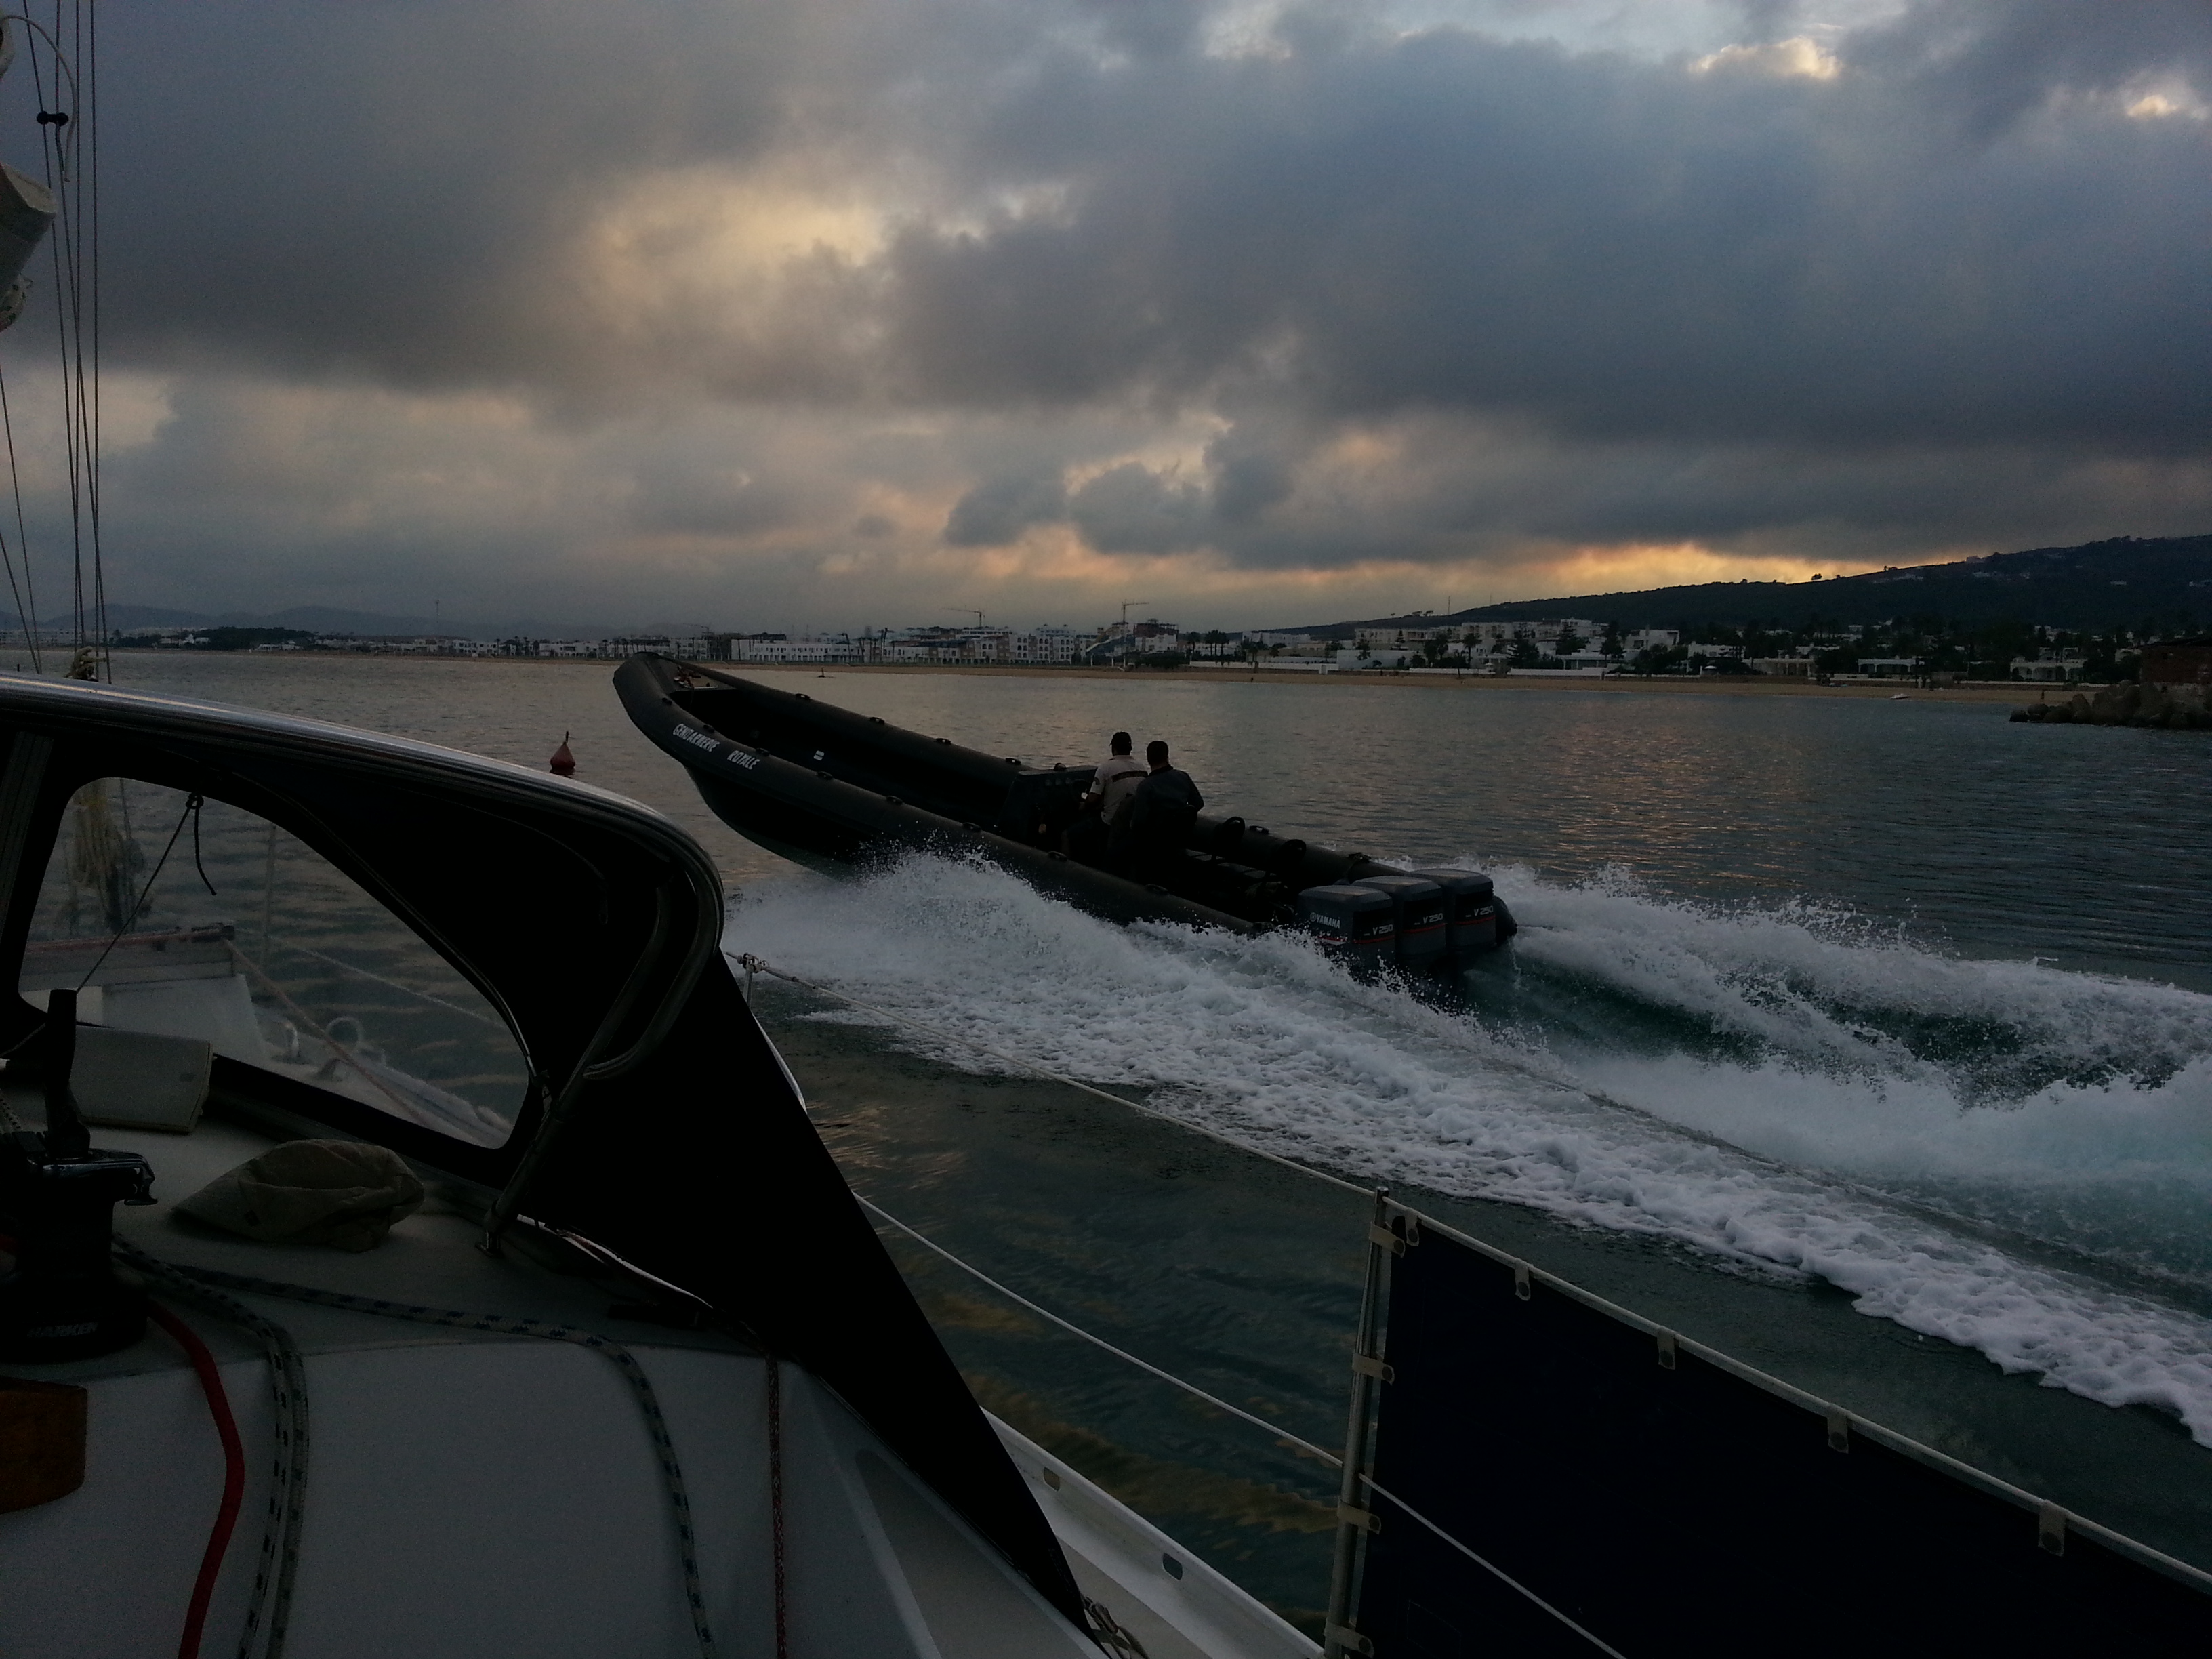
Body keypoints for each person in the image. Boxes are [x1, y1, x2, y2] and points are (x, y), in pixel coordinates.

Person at [1113, 740, 1203, 880]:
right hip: (1177, 839)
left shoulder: (1146, 786)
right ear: (1167, 756)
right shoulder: (1183, 776)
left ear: (1149, 759)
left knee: (1115, 853)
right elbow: (1198, 803)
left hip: (1153, 842)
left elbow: (1138, 823)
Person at [1065, 731, 1148, 865]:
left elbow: (1092, 800)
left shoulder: (1105, 769)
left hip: (1109, 822)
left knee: (1068, 835)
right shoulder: (1142, 768)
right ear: (1130, 748)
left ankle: (1067, 869)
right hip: (1131, 823)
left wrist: (1082, 807)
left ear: (1113, 748)